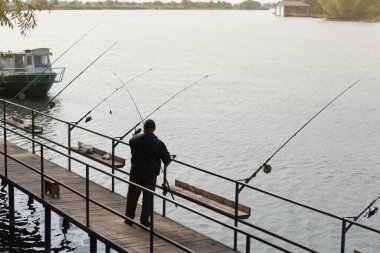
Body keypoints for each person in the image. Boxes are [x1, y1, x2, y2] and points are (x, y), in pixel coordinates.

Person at [125, 119, 171, 226]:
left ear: (144, 127)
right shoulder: (158, 143)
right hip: (150, 175)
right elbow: (167, 160)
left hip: (135, 172)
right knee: (148, 197)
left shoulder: (134, 139)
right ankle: (144, 221)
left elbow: (131, 142)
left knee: (132, 196)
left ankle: (128, 219)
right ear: (154, 129)